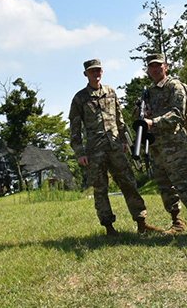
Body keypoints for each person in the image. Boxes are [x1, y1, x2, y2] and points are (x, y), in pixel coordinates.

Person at [69, 59, 163, 236]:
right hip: (94, 151)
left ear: (102, 72)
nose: (96, 74)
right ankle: (109, 228)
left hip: (115, 147)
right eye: (92, 71)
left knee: (129, 183)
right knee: (100, 188)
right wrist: (79, 152)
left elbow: (120, 119)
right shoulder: (80, 98)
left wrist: (124, 141)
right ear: (86, 74)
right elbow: (74, 128)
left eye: (98, 70)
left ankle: (142, 222)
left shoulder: (111, 92)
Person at [141, 53, 187, 235]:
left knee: (182, 181)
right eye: (151, 66)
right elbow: (139, 117)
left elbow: (177, 113)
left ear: (166, 66)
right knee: (164, 185)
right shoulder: (148, 92)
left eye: (158, 66)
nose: (155, 69)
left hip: (174, 143)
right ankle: (177, 221)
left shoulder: (174, 86)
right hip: (156, 145)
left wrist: (154, 122)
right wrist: (142, 116)